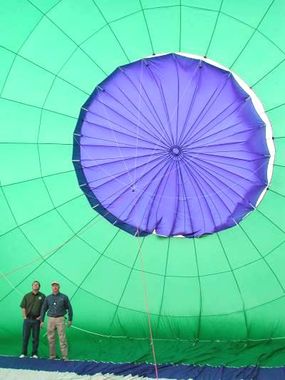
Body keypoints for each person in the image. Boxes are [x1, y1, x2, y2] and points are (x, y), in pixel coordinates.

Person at [40, 281, 73, 360]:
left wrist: (70, 319)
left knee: (62, 338)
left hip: (60, 319)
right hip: (50, 319)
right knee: (50, 338)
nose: (55, 287)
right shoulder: (48, 298)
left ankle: (65, 356)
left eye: (56, 286)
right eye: (53, 286)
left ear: (59, 287)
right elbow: (43, 309)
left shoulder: (64, 297)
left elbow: (69, 308)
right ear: (51, 287)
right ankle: (52, 356)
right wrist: (42, 320)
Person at [19, 280, 45, 358]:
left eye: (37, 285)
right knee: (25, 337)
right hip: (27, 319)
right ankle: (24, 353)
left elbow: (44, 308)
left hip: (36, 320)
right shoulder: (26, 296)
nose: (35, 286)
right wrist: (24, 317)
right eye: (34, 284)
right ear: (32, 286)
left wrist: (40, 317)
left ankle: (34, 353)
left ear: (39, 287)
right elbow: (23, 307)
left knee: (35, 337)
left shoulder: (43, 296)